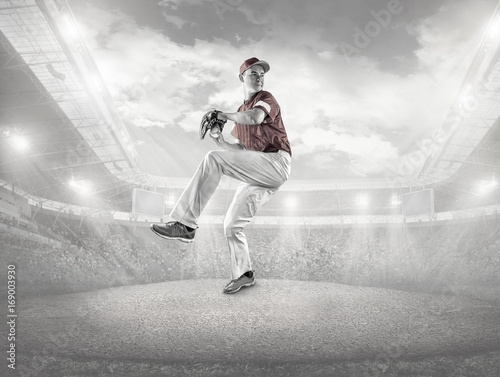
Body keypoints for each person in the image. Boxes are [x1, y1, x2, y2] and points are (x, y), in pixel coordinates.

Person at [151, 57, 292, 294]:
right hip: (258, 171)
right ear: (242, 77)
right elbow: (238, 151)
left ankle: (185, 224)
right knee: (231, 225)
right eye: (253, 73)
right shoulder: (239, 111)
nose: (259, 77)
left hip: (275, 162)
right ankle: (244, 275)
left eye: (262, 74)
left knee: (213, 159)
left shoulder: (265, 98)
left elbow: (255, 118)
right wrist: (220, 140)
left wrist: (222, 116)